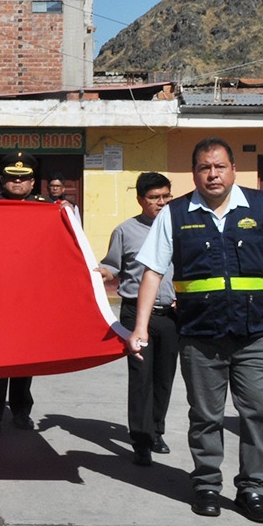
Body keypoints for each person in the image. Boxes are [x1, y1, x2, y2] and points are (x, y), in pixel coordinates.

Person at [127, 137, 263, 523]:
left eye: (219, 166)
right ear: (194, 173)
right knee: (205, 415)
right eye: (205, 167)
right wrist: (140, 328)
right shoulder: (176, 214)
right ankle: (206, 484)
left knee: (258, 410)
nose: (213, 174)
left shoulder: (260, 206)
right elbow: (152, 271)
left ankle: (252, 488)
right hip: (200, 337)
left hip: (254, 334)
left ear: (233, 169)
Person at [97, 172, 177, 467]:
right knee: (141, 378)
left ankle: (157, 430)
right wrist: (99, 273)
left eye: (166, 196)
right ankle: (141, 441)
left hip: (171, 314)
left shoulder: (179, 227)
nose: (161, 202)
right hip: (134, 313)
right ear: (140, 200)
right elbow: (112, 265)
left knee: (164, 378)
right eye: (155, 198)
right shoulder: (125, 231)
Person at [0, 151, 50, 434]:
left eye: (23, 178)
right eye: (12, 177)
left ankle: (21, 410)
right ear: (3, 180)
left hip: (28, 298)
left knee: (24, 358)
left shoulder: (48, 209)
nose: (17, 182)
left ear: (32, 182)